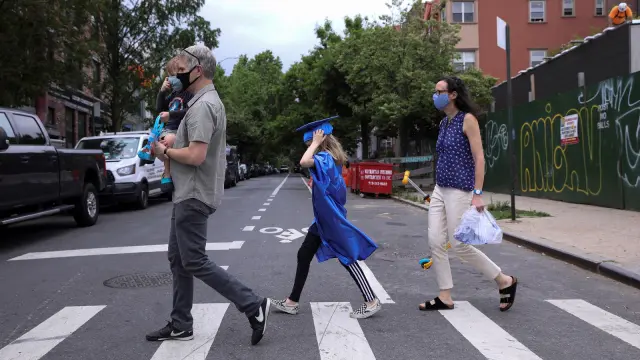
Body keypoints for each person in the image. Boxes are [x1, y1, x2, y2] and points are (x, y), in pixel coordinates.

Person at [148, 45, 271, 346]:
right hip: (186, 191)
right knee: (179, 259)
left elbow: (195, 155)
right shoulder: (200, 102)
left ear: (197, 71)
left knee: (193, 260)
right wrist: (177, 138)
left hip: (194, 192)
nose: (175, 76)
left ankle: (253, 304)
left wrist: (163, 151)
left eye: (179, 70)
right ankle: (181, 323)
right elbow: (193, 143)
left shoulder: (203, 106)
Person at [419, 76, 518, 312]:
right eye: (435, 91)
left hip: (460, 190)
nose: (436, 95)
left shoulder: (468, 120)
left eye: (440, 91)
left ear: (453, 94)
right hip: (440, 189)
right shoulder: (444, 123)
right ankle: (445, 296)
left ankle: (503, 280)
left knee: (458, 243)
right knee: (435, 241)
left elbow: (479, 157)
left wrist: (477, 193)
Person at [270, 116, 382, 319]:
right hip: (325, 217)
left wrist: (314, 143)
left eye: (309, 143)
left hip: (329, 218)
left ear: (320, 140)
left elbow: (304, 161)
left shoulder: (324, 158)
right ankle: (292, 302)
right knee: (304, 254)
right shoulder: (331, 159)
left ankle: (371, 300)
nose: (308, 146)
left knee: (346, 257)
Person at [155, 57, 194, 192]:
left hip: (180, 131)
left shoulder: (189, 93)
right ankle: (166, 169)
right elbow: (160, 108)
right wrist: (162, 91)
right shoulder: (173, 94)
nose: (172, 79)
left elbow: (190, 111)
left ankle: (167, 172)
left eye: (175, 75)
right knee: (154, 145)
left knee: (168, 141)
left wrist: (171, 115)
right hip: (167, 130)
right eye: (170, 76)